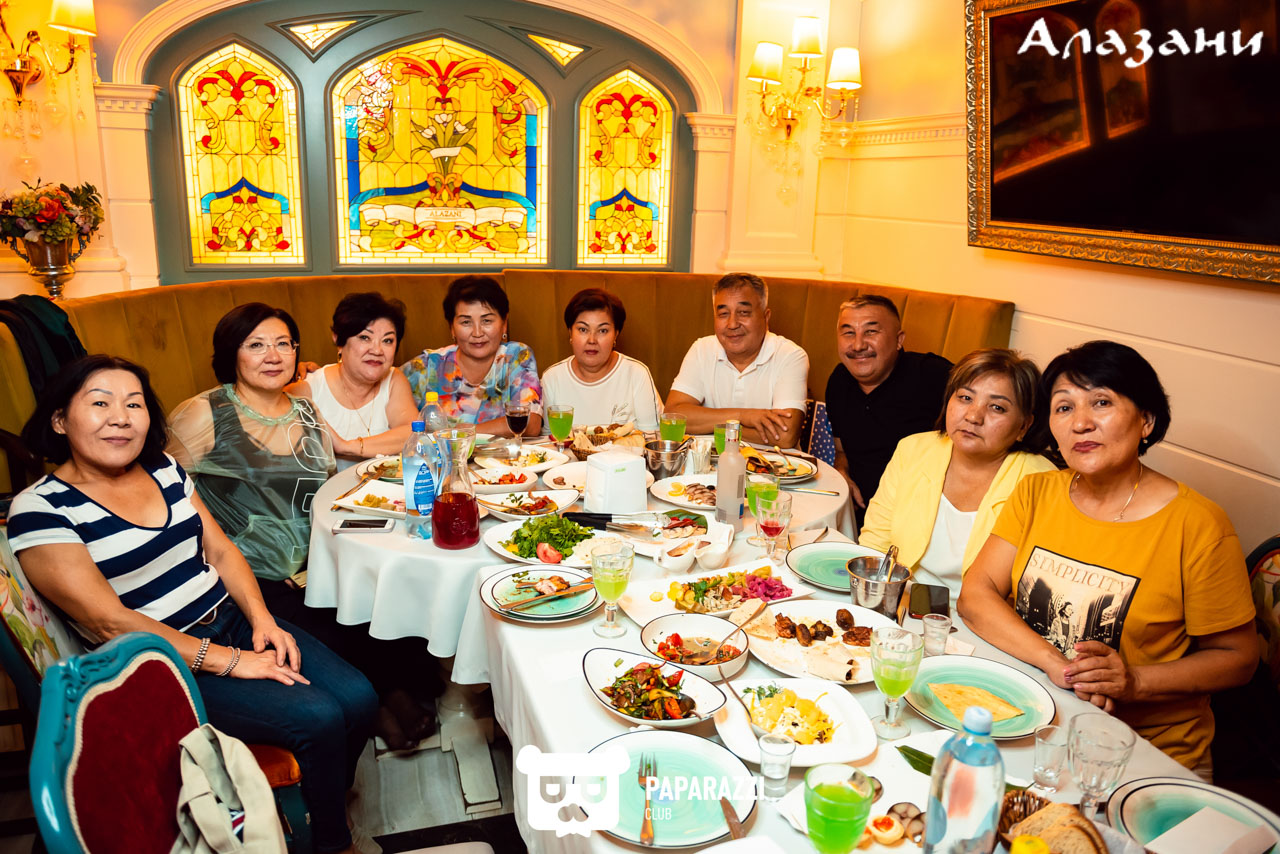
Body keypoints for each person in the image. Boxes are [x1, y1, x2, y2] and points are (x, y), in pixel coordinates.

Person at [7, 355, 376, 854]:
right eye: (100, 403)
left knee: (359, 698)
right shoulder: (42, 509)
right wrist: (229, 661)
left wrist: (261, 620)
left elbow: (221, 550)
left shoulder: (163, 469)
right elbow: (109, 621)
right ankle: (333, 843)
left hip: (230, 621)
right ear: (59, 419)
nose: (121, 418)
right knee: (320, 718)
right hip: (158, 665)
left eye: (134, 404)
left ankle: (322, 799)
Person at [957, 340, 1256, 776]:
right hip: (1033, 721)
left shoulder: (1198, 523)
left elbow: (1238, 657)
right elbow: (976, 594)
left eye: (1101, 402)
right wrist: (1058, 666)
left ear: (1146, 420)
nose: (1081, 423)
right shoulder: (1037, 492)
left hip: (1143, 755)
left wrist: (1134, 681)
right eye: (1064, 407)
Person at [170, 303, 437, 750]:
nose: (273, 356)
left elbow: (327, 486)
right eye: (256, 345)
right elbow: (161, 491)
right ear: (232, 353)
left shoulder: (307, 410)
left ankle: (389, 697)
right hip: (253, 575)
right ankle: (380, 703)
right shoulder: (204, 413)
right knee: (343, 642)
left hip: (317, 561)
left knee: (394, 604)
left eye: (283, 344)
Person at [858, 348, 1056, 607]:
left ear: (1024, 426)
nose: (973, 416)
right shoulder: (914, 449)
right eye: (965, 397)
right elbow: (875, 544)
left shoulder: (1041, 482)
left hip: (984, 618)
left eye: (997, 407)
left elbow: (1031, 593)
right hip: (900, 602)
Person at [825, 295, 952, 522]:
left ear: (898, 340)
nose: (858, 345)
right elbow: (842, 450)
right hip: (859, 514)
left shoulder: (932, 375)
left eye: (871, 332)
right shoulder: (839, 381)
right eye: (848, 333)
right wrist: (841, 472)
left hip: (921, 517)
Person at [664, 273, 809, 447]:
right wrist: (742, 416)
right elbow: (673, 417)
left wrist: (708, 425)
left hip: (773, 463)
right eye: (723, 314)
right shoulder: (702, 349)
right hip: (711, 461)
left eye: (743, 313)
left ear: (766, 317)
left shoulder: (790, 356)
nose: (732, 324)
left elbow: (784, 435)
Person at [286, 291, 419, 467]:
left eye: (387, 341)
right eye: (365, 337)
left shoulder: (394, 379)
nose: (377, 350)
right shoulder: (308, 387)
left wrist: (346, 447)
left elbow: (413, 433)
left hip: (384, 485)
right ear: (339, 341)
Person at [401, 275, 542, 436]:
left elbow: (531, 424)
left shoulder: (517, 357)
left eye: (487, 321)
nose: (477, 333)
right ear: (452, 328)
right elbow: (385, 388)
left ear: (504, 324)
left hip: (504, 454)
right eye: (466, 322)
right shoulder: (429, 366)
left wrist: (462, 434)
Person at [540, 288, 663, 430]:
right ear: (570, 333)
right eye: (583, 329)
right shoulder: (552, 378)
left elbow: (652, 436)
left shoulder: (637, 374)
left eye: (602, 331)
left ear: (615, 335)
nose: (592, 340)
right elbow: (547, 440)